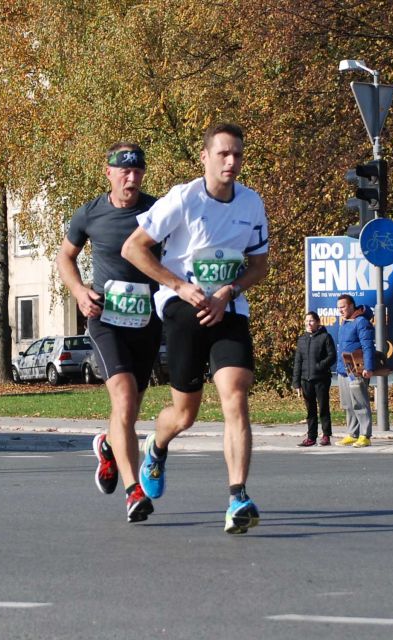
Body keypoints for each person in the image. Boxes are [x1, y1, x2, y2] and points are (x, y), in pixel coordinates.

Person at [121, 122, 270, 534]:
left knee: (235, 395)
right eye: (223, 154)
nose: (231, 161)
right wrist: (180, 286)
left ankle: (237, 497)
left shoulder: (251, 204)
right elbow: (132, 248)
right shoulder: (183, 199)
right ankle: (157, 443)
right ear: (204, 157)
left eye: (237, 154)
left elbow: (259, 265)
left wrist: (230, 290)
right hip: (182, 309)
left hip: (229, 308)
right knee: (185, 414)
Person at [55, 142, 160, 523]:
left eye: (137, 172)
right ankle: (134, 492)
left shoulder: (155, 210)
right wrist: (80, 292)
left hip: (147, 320)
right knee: (125, 396)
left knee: (128, 411)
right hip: (105, 318)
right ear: (109, 173)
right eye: (124, 172)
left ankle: (108, 447)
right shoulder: (90, 213)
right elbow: (64, 257)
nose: (131, 178)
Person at [334, 294, 375, 448]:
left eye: (343, 307)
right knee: (348, 404)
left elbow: (367, 346)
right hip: (344, 370)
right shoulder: (344, 323)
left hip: (357, 370)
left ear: (351, 306)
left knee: (360, 403)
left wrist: (368, 368)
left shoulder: (361, 322)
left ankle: (365, 435)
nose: (340, 310)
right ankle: (353, 434)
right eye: (338, 308)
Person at [292, 311, 337, 447]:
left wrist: (319, 366)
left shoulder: (325, 337)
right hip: (306, 380)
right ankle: (311, 437)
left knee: (323, 408)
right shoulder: (302, 339)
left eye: (311, 321)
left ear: (317, 322)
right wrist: (296, 382)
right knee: (310, 410)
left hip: (321, 379)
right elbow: (298, 362)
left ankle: (326, 435)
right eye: (306, 321)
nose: (309, 323)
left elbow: (332, 356)